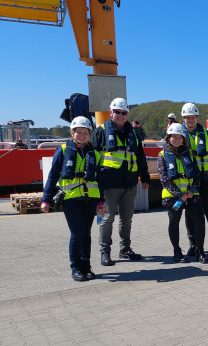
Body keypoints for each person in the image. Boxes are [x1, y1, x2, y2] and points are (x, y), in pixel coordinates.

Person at [41, 117, 104, 281]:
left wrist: (102, 201)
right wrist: (46, 199)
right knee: (77, 233)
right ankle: (75, 268)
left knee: (87, 234)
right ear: (72, 132)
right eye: (78, 132)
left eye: (85, 133)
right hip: (71, 199)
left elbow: (100, 180)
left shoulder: (95, 154)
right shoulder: (62, 150)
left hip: (90, 198)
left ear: (89, 134)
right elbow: (53, 175)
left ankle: (86, 266)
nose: (82, 135)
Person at [92, 97, 150, 266]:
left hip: (130, 183)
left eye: (123, 112)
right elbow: (92, 158)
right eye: (117, 112)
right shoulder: (101, 131)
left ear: (127, 115)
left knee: (127, 219)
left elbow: (140, 157)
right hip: (108, 184)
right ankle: (105, 252)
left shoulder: (134, 133)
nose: (120, 115)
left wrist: (145, 178)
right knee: (107, 218)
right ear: (111, 112)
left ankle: (125, 249)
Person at [158, 123, 208, 263]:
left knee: (200, 222)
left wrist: (191, 191)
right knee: (174, 222)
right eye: (174, 136)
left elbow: (197, 175)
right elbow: (164, 179)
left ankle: (200, 251)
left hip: (191, 195)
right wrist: (180, 194)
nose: (177, 139)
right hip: (173, 197)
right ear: (168, 137)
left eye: (179, 137)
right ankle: (177, 252)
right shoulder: (162, 155)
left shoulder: (190, 154)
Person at [180, 102, 208, 258]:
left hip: (205, 179)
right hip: (189, 180)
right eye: (187, 117)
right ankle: (193, 245)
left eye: (193, 117)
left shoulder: (206, 134)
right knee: (189, 213)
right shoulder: (180, 134)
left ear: (197, 117)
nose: (190, 120)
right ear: (183, 118)